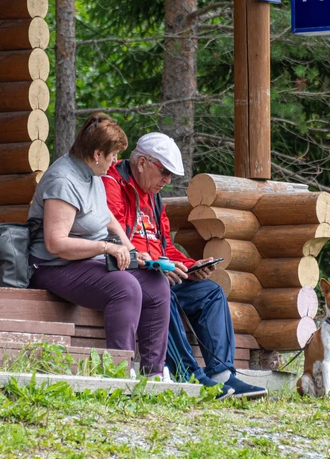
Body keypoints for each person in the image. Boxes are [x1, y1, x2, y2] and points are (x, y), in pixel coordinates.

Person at [103, 132, 268, 399]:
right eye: (164, 172)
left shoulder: (153, 196)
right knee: (159, 291)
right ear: (142, 162)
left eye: (171, 175)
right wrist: (158, 266)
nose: (168, 181)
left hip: (158, 272)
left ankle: (223, 375)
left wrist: (190, 266)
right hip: (132, 276)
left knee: (210, 292)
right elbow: (114, 240)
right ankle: (188, 375)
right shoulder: (113, 184)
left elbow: (165, 245)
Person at [27, 113, 171, 377]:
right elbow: (55, 243)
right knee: (125, 286)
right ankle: (119, 373)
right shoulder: (64, 180)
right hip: (53, 267)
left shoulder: (93, 175)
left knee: (156, 284)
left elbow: (109, 220)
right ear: (96, 153)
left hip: (84, 263)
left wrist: (130, 250)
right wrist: (106, 248)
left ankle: (154, 374)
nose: (116, 161)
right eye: (113, 155)